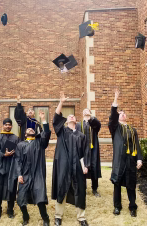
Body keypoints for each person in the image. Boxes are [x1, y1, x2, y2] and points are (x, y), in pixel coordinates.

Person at [52, 92, 89, 226]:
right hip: (64, 166)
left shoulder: (81, 136)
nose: (72, 116)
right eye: (69, 116)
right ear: (66, 121)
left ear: (76, 120)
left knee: (80, 189)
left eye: (73, 115)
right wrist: (61, 102)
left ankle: (81, 218)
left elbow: (85, 152)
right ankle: (58, 216)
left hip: (77, 166)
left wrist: (85, 165)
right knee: (62, 188)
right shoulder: (61, 132)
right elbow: (55, 119)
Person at [109, 89, 143, 217]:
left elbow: (137, 146)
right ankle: (117, 206)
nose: (122, 114)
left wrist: (139, 159)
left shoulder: (132, 129)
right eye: (120, 113)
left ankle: (132, 206)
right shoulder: (115, 127)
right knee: (117, 185)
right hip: (119, 161)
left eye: (124, 113)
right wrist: (115, 99)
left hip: (130, 161)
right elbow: (112, 116)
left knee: (131, 185)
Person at [14, 110, 51, 226]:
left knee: (40, 199)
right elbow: (18, 161)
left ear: (35, 133)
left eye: (32, 129)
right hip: (25, 174)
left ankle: (45, 218)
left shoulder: (40, 142)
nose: (30, 129)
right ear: (25, 134)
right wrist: (19, 174)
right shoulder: (20, 145)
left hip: (38, 174)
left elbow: (47, 133)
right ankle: (25, 216)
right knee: (21, 200)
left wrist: (43, 119)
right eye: (28, 130)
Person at [0, 118, 20, 220]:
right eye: (6, 124)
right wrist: (4, 154)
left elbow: (19, 152)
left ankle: (10, 210)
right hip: (0, 166)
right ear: (3, 125)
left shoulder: (16, 138)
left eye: (9, 125)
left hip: (11, 166)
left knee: (11, 188)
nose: (8, 126)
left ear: (12, 126)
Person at [76, 109, 102, 197]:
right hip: (83, 149)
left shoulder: (94, 123)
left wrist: (91, 118)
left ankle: (94, 189)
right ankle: (83, 188)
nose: (86, 112)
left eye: (88, 111)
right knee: (83, 166)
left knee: (94, 167)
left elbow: (98, 125)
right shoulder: (78, 125)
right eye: (84, 111)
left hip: (93, 148)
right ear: (82, 114)